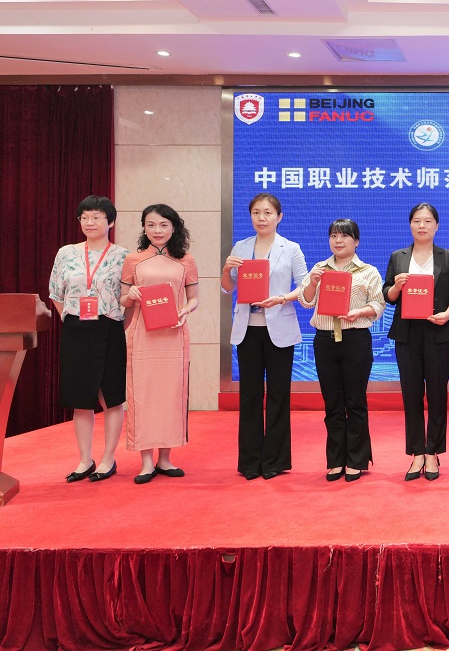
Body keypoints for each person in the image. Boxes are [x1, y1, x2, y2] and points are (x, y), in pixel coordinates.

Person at [220, 193, 307, 481]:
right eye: (256, 212)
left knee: (279, 395)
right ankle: (250, 462)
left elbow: (305, 287)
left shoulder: (291, 248)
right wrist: (227, 270)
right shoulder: (241, 247)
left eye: (268, 213)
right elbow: (227, 288)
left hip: (279, 329)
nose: (262, 218)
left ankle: (274, 461)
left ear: (279, 217)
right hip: (247, 330)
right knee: (250, 395)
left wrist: (282, 298)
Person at [298, 219, 386, 482]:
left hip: (355, 339)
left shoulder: (368, 271)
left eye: (345, 236)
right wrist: (312, 283)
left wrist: (359, 312)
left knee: (355, 401)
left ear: (356, 241)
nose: (338, 240)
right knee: (332, 402)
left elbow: (378, 304)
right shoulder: (319, 269)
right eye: (334, 236)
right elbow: (305, 301)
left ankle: (356, 460)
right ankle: (336, 460)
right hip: (324, 340)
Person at [48, 196, 129, 483]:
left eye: (96, 217)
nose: (89, 222)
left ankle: (108, 459)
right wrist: (70, 317)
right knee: (80, 398)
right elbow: (55, 293)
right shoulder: (66, 253)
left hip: (109, 328)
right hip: (76, 330)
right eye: (84, 217)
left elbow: (128, 300)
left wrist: (118, 323)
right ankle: (85, 460)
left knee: (111, 397)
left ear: (111, 221)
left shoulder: (124, 256)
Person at [383, 203, 449, 482]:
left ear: (436, 226)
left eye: (428, 221)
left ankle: (433, 452)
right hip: (406, 334)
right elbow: (387, 295)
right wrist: (396, 286)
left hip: (438, 332)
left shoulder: (448, 257)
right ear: (410, 225)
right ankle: (417, 452)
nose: (422, 225)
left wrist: (448, 313)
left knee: (438, 394)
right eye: (417, 220)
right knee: (411, 394)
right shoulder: (398, 257)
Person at [120, 204, 199, 484]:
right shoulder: (133, 260)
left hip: (173, 336)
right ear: (143, 227)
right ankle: (145, 462)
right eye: (151, 225)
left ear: (174, 227)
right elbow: (123, 299)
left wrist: (185, 310)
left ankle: (165, 459)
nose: (157, 230)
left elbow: (194, 298)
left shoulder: (186, 260)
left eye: (164, 225)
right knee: (143, 395)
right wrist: (131, 295)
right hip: (142, 336)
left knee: (170, 395)